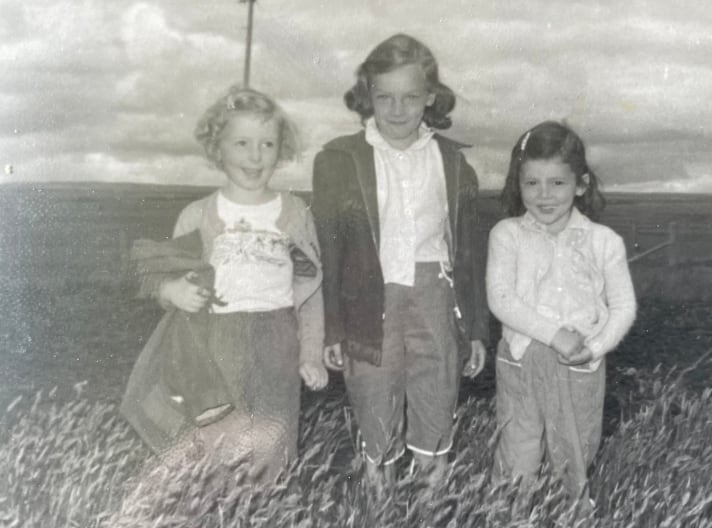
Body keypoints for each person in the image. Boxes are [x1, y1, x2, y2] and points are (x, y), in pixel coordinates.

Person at [311, 33, 489, 490]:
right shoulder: (338, 160)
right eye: (384, 96)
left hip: (435, 293)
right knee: (374, 396)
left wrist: (475, 329)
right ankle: (379, 519)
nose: (396, 109)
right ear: (366, 95)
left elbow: (468, 251)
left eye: (410, 97)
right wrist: (333, 327)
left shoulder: (451, 161)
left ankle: (431, 523)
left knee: (437, 391)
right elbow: (329, 251)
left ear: (430, 97)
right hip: (369, 295)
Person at [121, 86, 327, 480]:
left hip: (278, 338)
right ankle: (217, 521)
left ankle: (265, 524)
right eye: (242, 143)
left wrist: (311, 353)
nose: (255, 156)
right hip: (215, 340)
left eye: (268, 144)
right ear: (218, 149)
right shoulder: (197, 214)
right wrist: (172, 292)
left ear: (281, 149)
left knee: (273, 439)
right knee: (217, 443)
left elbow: (312, 290)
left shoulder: (296, 212)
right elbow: (163, 276)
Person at [486, 121, 636, 514]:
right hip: (521, 360)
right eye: (531, 183)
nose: (544, 195)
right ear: (517, 184)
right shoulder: (507, 234)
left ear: (581, 184)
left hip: (579, 365)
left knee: (575, 449)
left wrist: (595, 347)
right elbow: (501, 299)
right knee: (518, 449)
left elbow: (623, 307)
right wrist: (554, 335)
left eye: (557, 183)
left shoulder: (604, 242)